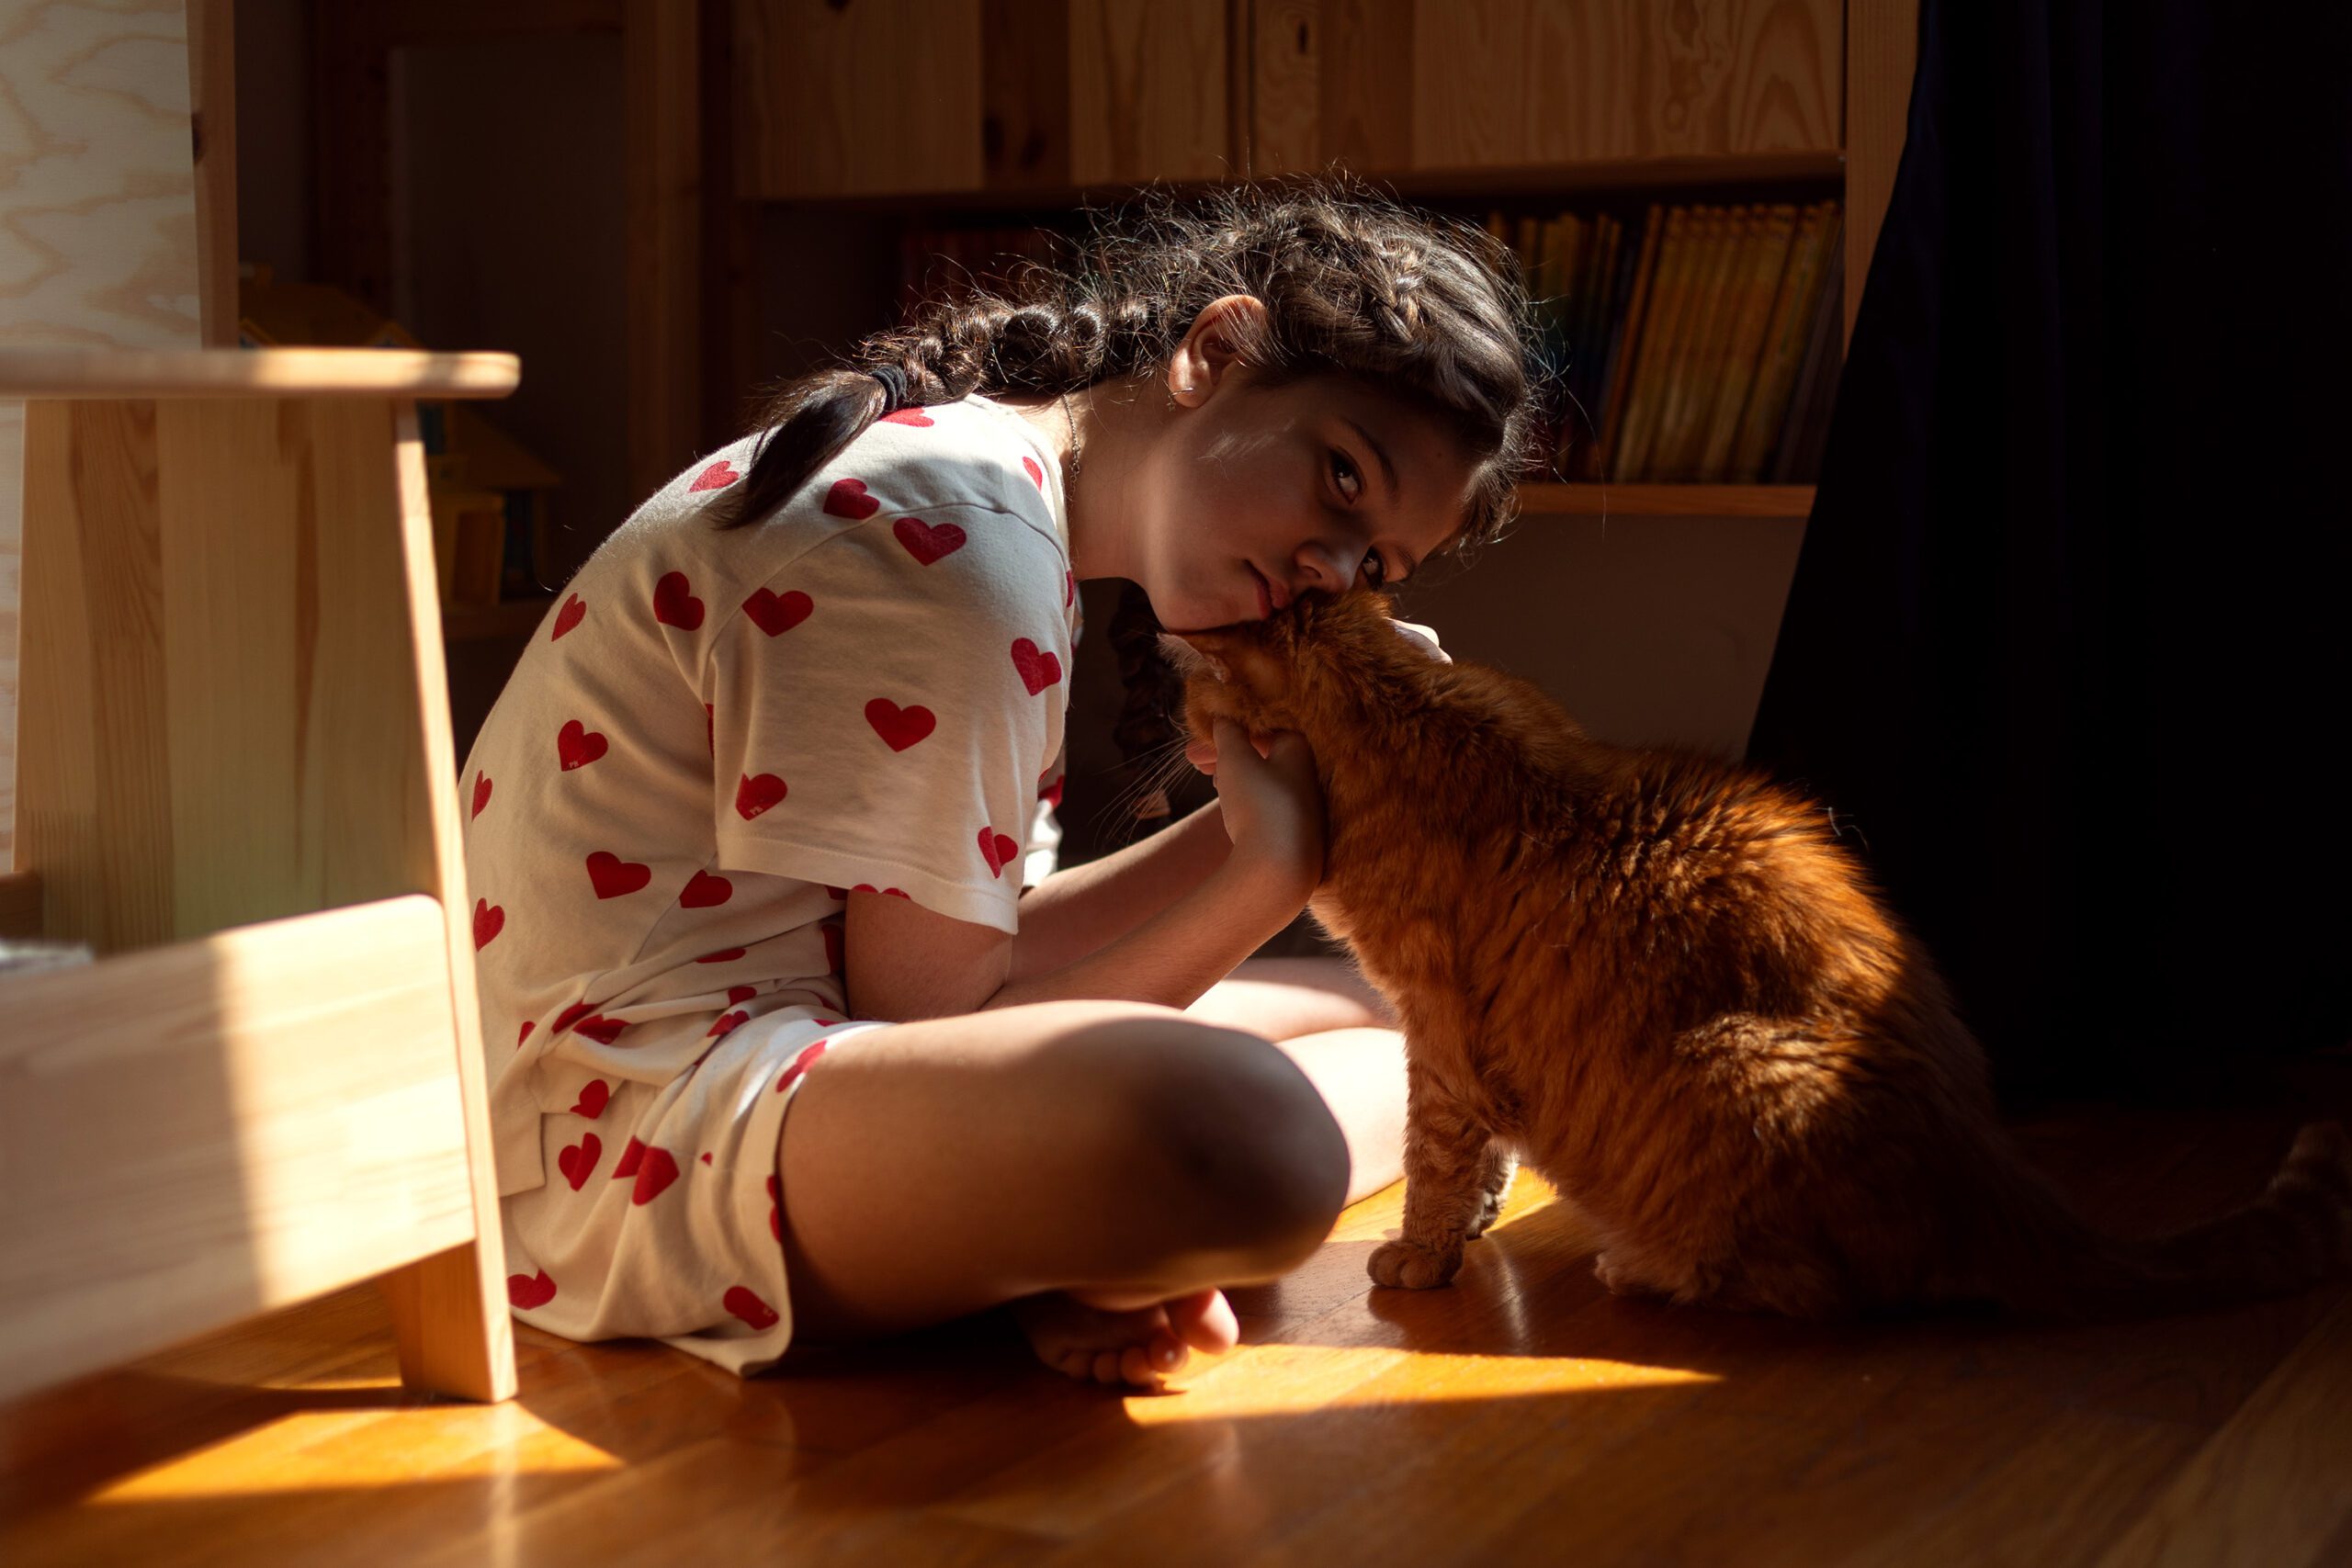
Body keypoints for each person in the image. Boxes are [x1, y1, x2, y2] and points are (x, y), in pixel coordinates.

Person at [458, 178, 1544, 1392]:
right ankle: (1043, 1246)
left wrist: (1279, 818)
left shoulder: (985, 497)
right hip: (618, 1148)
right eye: (1341, 478)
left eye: (1378, 563)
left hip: (720, 1075)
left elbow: (979, 962)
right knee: (1256, 1132)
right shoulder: (961, 542)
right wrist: (1269, 870)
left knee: (1385, 1011)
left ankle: (1043, 1249)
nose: (1328, 570)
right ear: (1217, 353)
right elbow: (945, 1026)